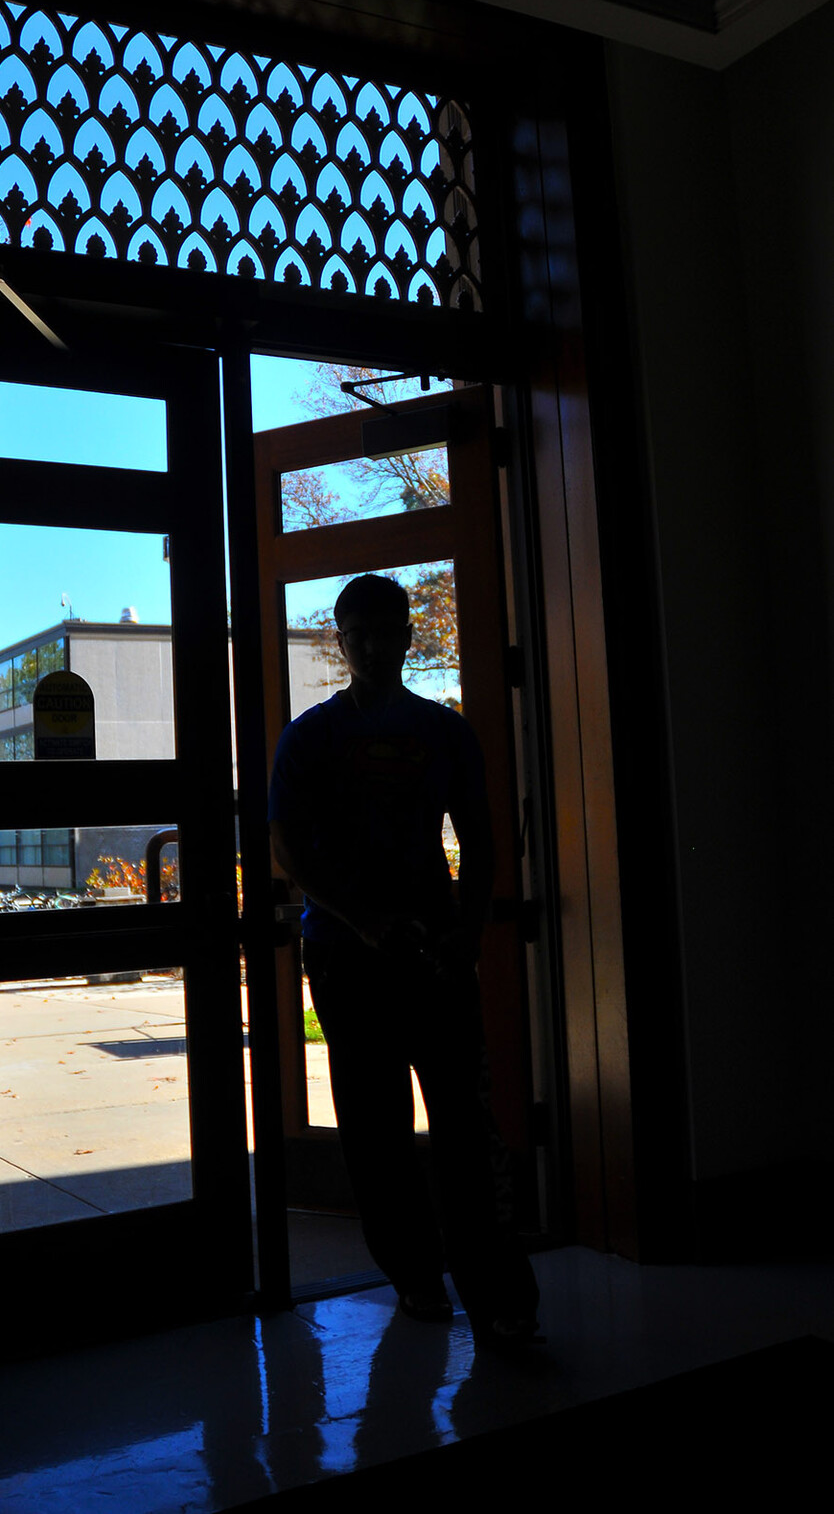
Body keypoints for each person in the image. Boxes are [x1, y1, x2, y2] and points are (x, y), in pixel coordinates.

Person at [268, 573, 538, 1343]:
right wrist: (367, 922)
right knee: (380, 1127)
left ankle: (494, 1296)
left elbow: (482, 840)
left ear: (408, 636)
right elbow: (287, 849)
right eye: (361, 634)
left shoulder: (434, 733)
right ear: (342, 639)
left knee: (457, 1122)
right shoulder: (314, 738)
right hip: (355, 957)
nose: (377, 646)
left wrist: (466, 928)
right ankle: (424, 1279)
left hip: (420, 951)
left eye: (389, 631)